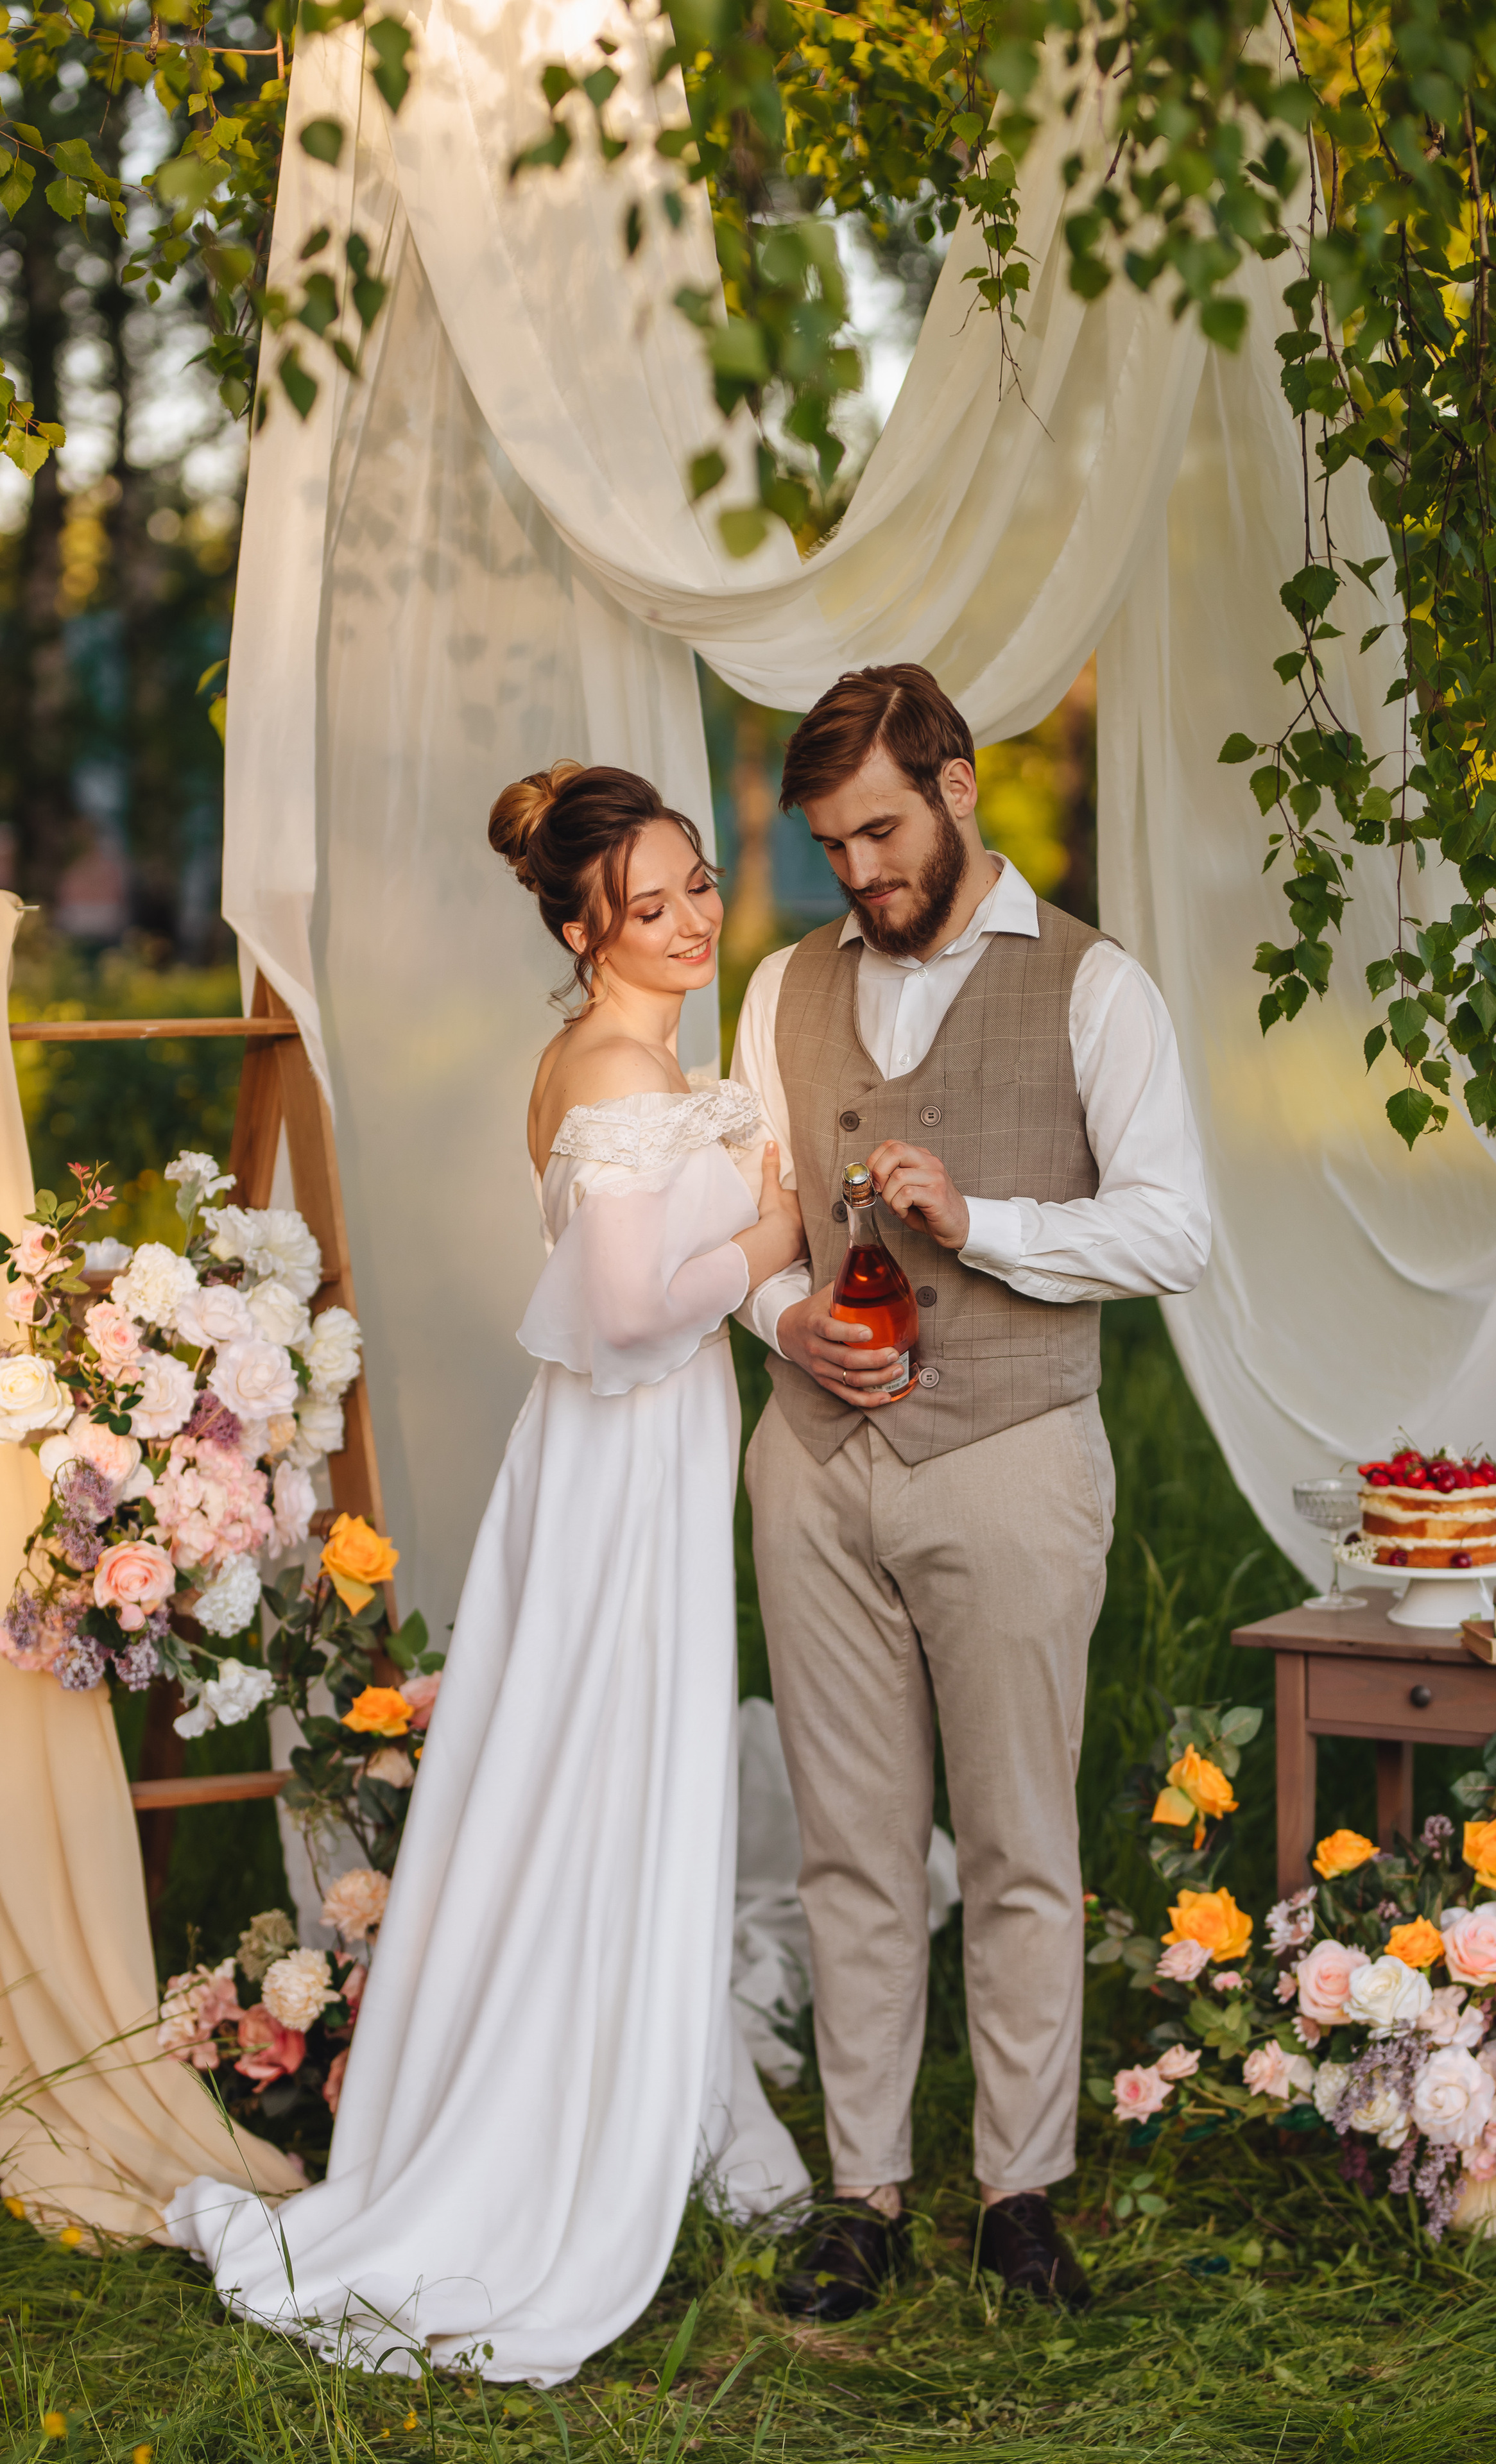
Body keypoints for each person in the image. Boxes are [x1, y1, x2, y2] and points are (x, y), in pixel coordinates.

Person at [167, 763, 810, 2384]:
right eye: (647, 905)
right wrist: (777, 1238)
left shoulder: (649, 1056)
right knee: (594, 1770)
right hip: (612, 1469)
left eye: (694, 888)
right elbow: (621, 1313)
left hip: (645, 1465)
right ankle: (550, 2131)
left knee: (617, 1771)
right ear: (584, 926)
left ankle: (644, 2082)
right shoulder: (605, 1069)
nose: (687, 923)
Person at [730, 664, 1210, 2317]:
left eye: (878, 827)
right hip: (809, 1465)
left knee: (1015, 1847)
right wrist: (771, 1311)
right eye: (827, 843)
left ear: (954, 782)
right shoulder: (783, 987)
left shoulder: (1093, 987)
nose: (856, 870)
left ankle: (1020, 2196)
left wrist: (986, 1221)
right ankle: (861, 2194)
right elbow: (750, 1219)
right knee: (848, 1853)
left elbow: (1173, 1228)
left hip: (1010, 1458)